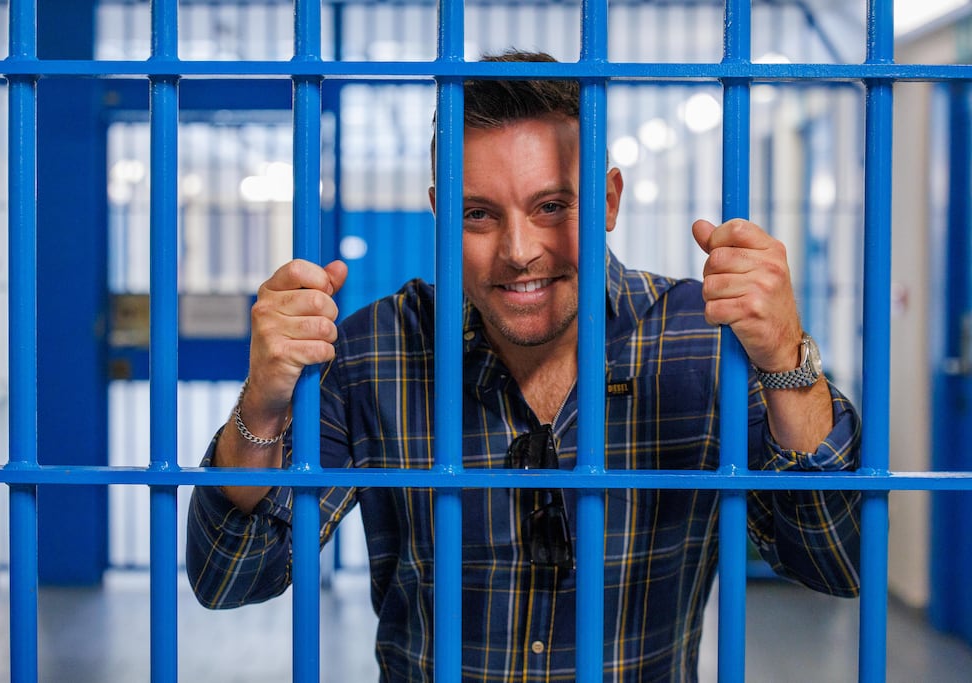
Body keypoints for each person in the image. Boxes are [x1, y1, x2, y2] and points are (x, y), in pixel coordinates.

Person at [186, 49, 860, 681]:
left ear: (608, 200)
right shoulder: (378, 352)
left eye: (551, 207)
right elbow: (231, 576)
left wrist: (782, 358)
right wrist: (263, 404)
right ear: (440, 214)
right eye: (479, 213)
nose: (519, 250)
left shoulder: (698, 338)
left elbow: (839, 557)